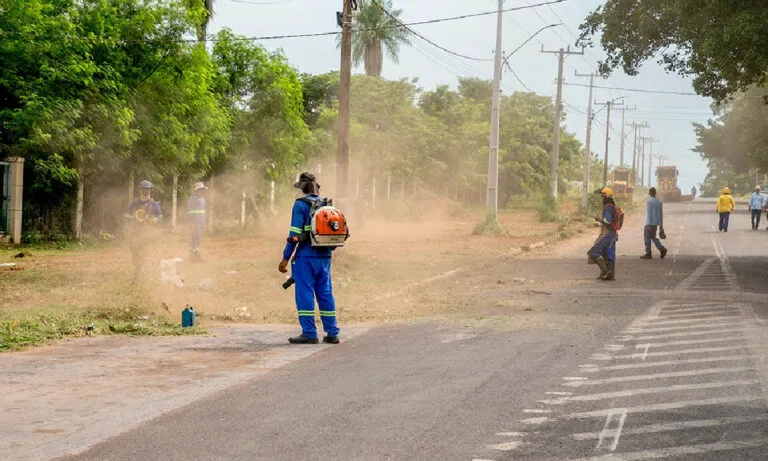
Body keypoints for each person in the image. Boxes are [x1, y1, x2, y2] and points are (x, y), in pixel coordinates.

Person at [278, 172, 340, 345]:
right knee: (325, 293)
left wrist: (285, 258)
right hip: (325, 256)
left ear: (302, 188)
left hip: (305, 258)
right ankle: (332, 332)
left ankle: (309, 333)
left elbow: (294, 235)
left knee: (305, 293)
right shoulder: (325, 204)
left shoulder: (300, 205)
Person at [125, 180, 163, 278]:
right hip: (136, 231)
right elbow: (128, 216)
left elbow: (160, 216)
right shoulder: (134, 203)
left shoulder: (154, 204)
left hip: (148, 232)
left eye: (147, 189)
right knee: (135, 250)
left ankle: (147, 271)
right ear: (140, 190)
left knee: (146, 251)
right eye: (143, 189)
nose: (145, 191)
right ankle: (138, 269)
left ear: (150, 190)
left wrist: (155, 220)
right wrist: (130, 224)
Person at [587, 187, 618, 281]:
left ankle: (605, 270)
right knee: (609, 255)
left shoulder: (607, 207)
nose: (602, 198)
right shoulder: (613, 206)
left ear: (605, 197)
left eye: (602, 196)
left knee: (593, 253)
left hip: (606, 235)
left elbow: (607, 221)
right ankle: (611, 274)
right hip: (613, 235)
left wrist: (599, 219)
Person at [641, 187, 667, 259]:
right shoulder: (659, 202)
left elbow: (649, 214)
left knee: (647, 238)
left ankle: (648, 253)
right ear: (655, 193)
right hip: (655, 224)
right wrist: (661, 225)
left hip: (649, 223)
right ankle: (661, 248)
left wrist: (649, 225)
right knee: (652, 237)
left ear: (649, 193)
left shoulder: (649, 201)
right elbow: (661, 214)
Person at [187, 182, 208, 262]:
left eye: (203, 190)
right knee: (194, 239)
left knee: (197, 239)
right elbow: (190, 212)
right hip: (194, 222)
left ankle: (195, 257)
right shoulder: (192, 199)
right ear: (196, 191)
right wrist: (191, 222)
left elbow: (203, 212)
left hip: (200, 222)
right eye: (200, 190)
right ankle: (194, 257)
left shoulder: (202, 199)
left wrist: (203, 223)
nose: (202, 191)